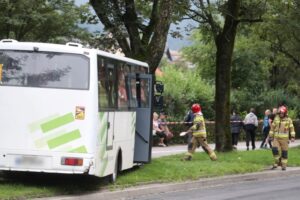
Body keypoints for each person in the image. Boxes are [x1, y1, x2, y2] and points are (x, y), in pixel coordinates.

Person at [269, 106, 295, 170]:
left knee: (284, 152)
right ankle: (277, 161)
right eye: (280, 113)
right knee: (274, 150)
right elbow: (272, 128)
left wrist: (292, 137)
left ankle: (283, 166)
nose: (281, 114)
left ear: (285, 113)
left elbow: (292, 129)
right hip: (276, 138)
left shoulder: (289, 120)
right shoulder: (276, 118)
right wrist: (270, 136)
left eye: (282, 113)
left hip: (285, 139)